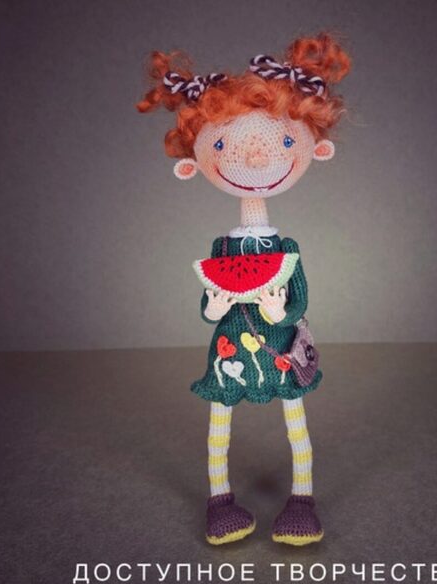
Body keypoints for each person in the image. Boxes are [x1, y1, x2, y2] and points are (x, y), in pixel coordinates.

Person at [137, 32, 351, 545]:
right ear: (193, 163)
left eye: (282, 142)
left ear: (315, 149)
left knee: (297, 430)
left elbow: (299, 299)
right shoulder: (222, 248)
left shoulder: (287, 248)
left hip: (282, 352)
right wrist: (214, 303)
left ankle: (303, 500)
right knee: (219, 433)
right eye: (223, 145)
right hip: (227, 353)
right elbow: (209, 307)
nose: (255, 159)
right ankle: (220, 502)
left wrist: (280, 310)